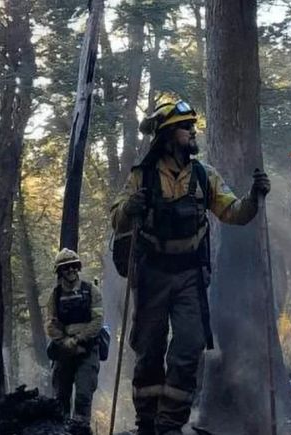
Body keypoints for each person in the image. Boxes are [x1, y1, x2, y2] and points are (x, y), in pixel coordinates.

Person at [110, 100, 270, 435]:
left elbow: (234, 212)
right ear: (168, 136)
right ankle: (147, 421)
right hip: (152, 273)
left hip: (189, 276)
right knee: (149, 347)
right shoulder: (142, 177)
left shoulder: (203, 175)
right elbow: (116, 216)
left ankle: (171, 422)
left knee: (190, 343)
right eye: (186, 127)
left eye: (192, 126)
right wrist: (129, 209)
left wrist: (255, 197)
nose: (192, 132)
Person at [44, 248, 103, 425]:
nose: (70, 270)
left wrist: (78, 340)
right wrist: (64, 342)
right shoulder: (55, 296)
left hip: (88, 351)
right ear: (60, 271)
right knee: (61, 398)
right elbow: (51, 324)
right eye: (66, 267)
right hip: (64, 354)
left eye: (73, 266)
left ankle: (81, 429)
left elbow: (98, 321)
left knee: (84, 396)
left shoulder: (91, 290)